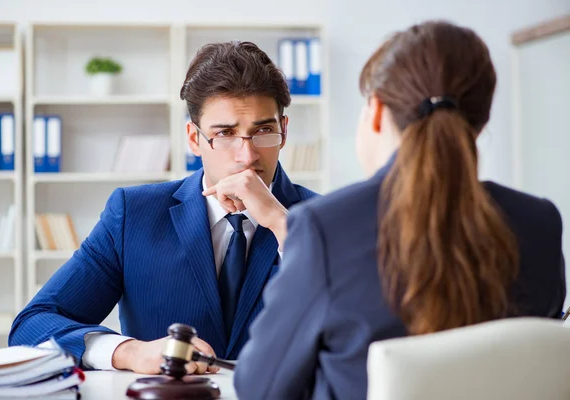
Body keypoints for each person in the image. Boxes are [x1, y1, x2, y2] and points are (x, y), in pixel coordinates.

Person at [234, 20, 566, 399]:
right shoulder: (540, 224)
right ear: (481, 120)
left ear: (375, 111)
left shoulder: (326, 228)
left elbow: (260, 388)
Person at [9, 41, 318, 375]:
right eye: (225, 133)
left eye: (263, 131)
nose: (247, 156)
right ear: (193, 138)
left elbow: (367, 330)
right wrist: (128, 353)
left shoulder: (328, 218)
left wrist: (280, 223)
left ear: (283, 131)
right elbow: (32, 326)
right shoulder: (133, 215)